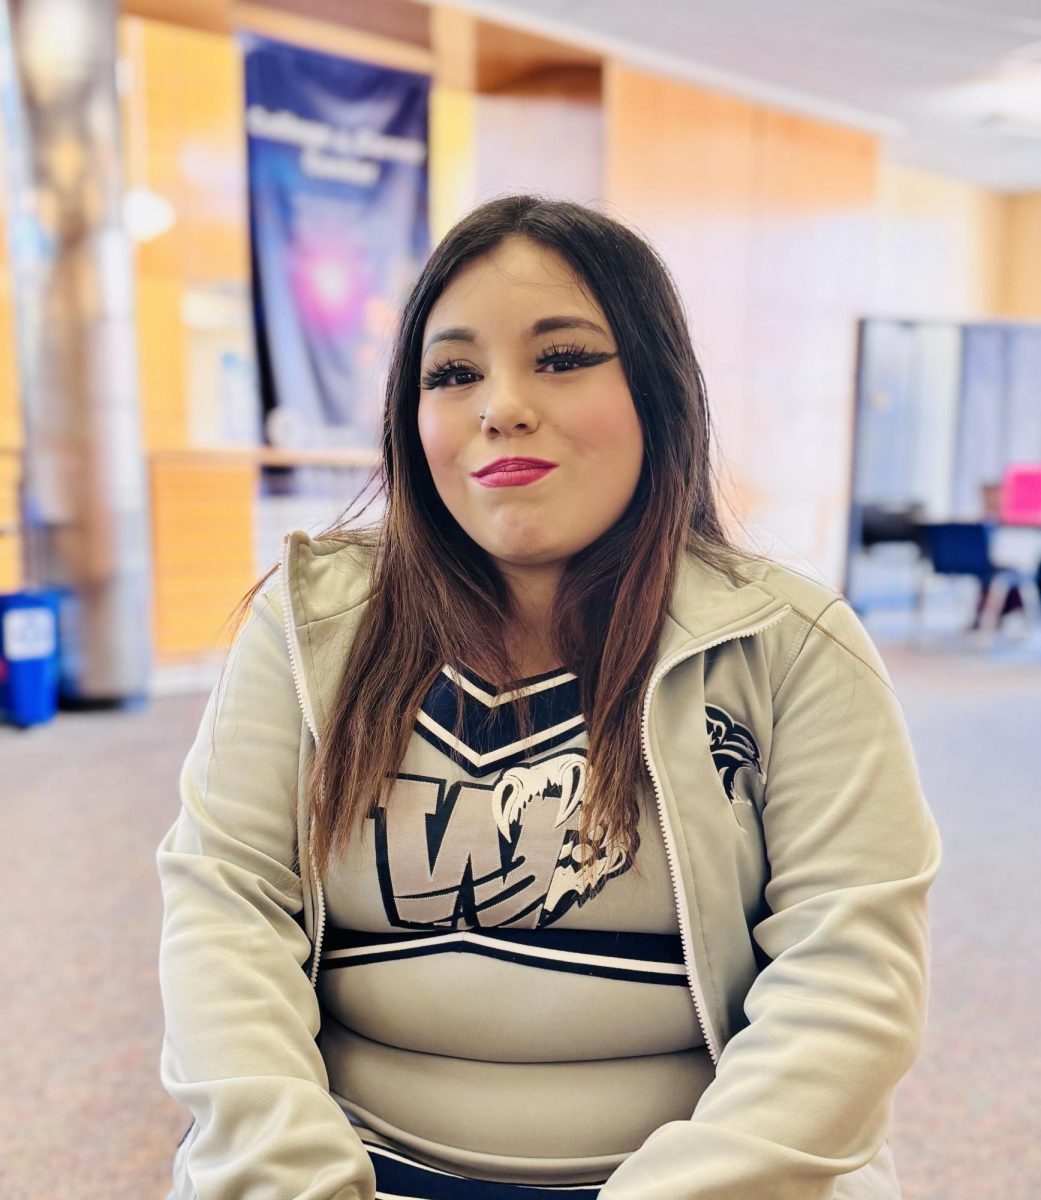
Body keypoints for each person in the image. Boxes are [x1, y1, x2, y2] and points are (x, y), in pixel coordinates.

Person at [157, 195, 942, 1200]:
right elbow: (224, 917)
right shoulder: (313, 629)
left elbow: (847, 987)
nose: (502, 405)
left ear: (657, 390)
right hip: (360, 1168)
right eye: (453, 373)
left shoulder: (792, 646)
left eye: (563, 358)